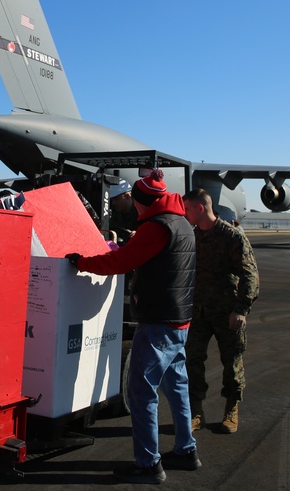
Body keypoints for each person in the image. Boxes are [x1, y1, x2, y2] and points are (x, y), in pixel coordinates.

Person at [66, 170, 199, 484]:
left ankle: (148, 464)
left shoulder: (156, 226)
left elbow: (120, 264)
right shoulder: (181, 222)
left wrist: (81, 262)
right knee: (177, 387)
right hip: (180, 320)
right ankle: (186, 450)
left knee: (140, 393)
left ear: (142, 203)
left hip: (158, 322)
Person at [181, 188, 260, 435]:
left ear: (200, 208)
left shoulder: (231, 236)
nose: (184, 213)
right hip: (198, 311)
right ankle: (196, 411)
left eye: (187, 209)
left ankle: (231, 410)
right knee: (192, 361)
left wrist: (240, 309)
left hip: (227, 312)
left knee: (232, 363)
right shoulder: (193, 236)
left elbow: (250, 275)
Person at [107, 178, 139, 245]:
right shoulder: (115, 215)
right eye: (112, 200)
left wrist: (139, 234)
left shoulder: (140, 212)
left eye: (116, 199)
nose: (113, 203)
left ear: (127, 196)